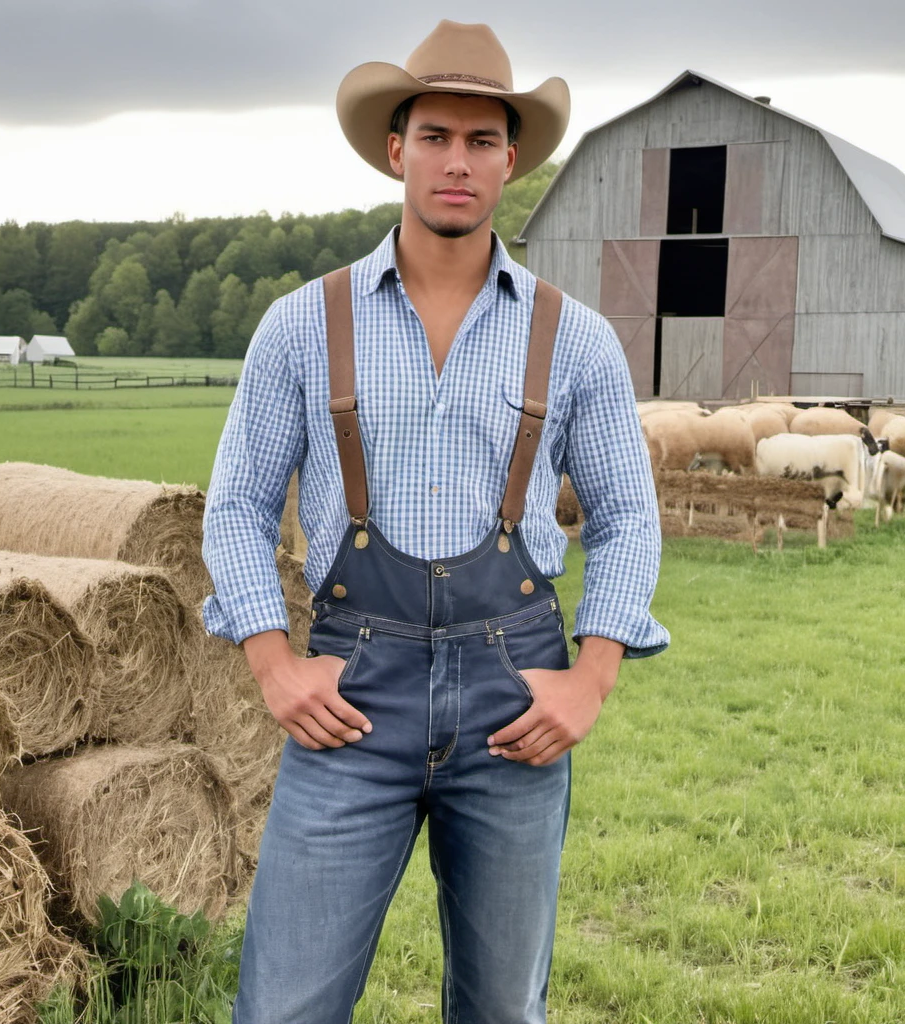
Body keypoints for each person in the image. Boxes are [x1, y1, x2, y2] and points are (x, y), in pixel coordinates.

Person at [202, 19, 669, 1024]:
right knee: (283, 1007)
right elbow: (235, 506)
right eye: (435, 137)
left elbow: (627, 518)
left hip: (514, 705)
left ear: (511, 160)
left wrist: (590, 678)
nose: (456, 161)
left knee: (503, 1009)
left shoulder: (574, 338)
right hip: (350, 701)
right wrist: (274, 665)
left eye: (481, 141)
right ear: (395, 149)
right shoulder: (301, 323)